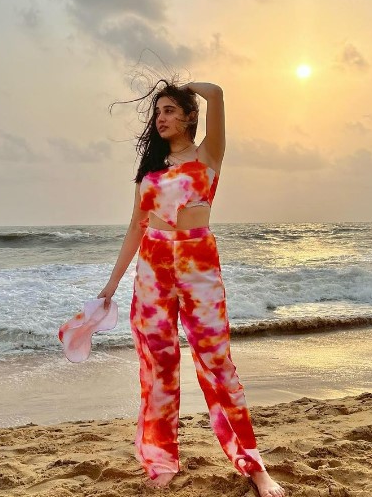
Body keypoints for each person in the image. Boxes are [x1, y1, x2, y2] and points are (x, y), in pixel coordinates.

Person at [97, 79, 287, 496]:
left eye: (169, 110)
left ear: (189, 116)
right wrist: (112, 283)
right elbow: (135, 226)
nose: (161, 118)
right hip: (152, 265)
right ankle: (161, 457)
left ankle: (254, 466)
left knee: (218, 366)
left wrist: (183, 87)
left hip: (198, 262)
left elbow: (217, 93)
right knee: (158, 368)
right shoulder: (150, 171)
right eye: (158, 112)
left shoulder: (208, 155)